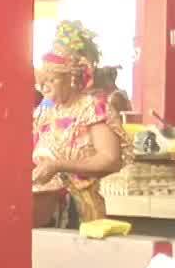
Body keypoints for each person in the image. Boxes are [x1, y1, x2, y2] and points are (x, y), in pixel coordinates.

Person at [32, 20, 127, 226]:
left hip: (82, 211)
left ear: (71, 78)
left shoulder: (92, 108)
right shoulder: (44, 110)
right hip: (44, 208)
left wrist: (60, 166)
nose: (44, 88)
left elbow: (110, 159)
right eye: (42, 82)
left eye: (52, 80)